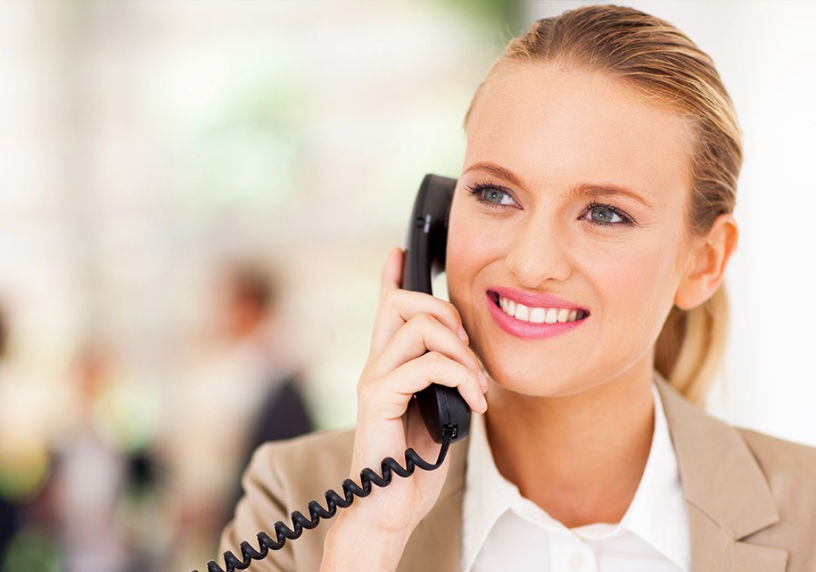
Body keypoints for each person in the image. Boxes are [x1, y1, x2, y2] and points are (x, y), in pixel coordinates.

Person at [217, 5, 816, 572]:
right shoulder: (296, 497)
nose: (531, 264)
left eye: (605, 213)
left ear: (704, 263)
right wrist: (370, 536)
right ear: (438, 219)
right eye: (496, 194)